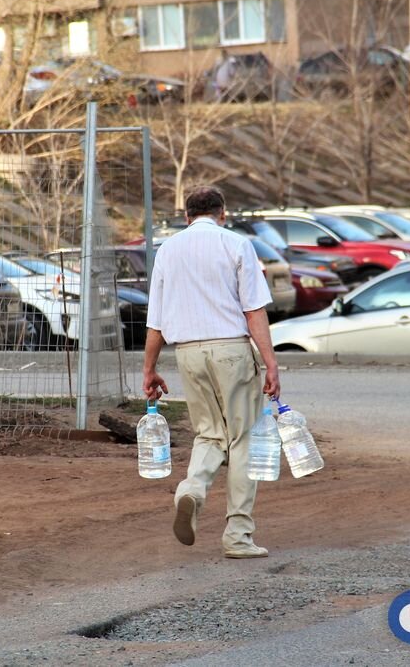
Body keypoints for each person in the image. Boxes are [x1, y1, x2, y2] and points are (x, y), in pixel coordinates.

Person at [143, 185, 281, 559]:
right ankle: (238, 535)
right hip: (232, 351)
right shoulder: (236, 245)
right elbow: (254, 311)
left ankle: (192, 488)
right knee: (242, 440)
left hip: (187, 353)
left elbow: (155, 319)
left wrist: (150, 369)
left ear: (186, 216)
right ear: (223, 213)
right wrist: (270, 362)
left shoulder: (168, 250)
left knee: (209, 434)